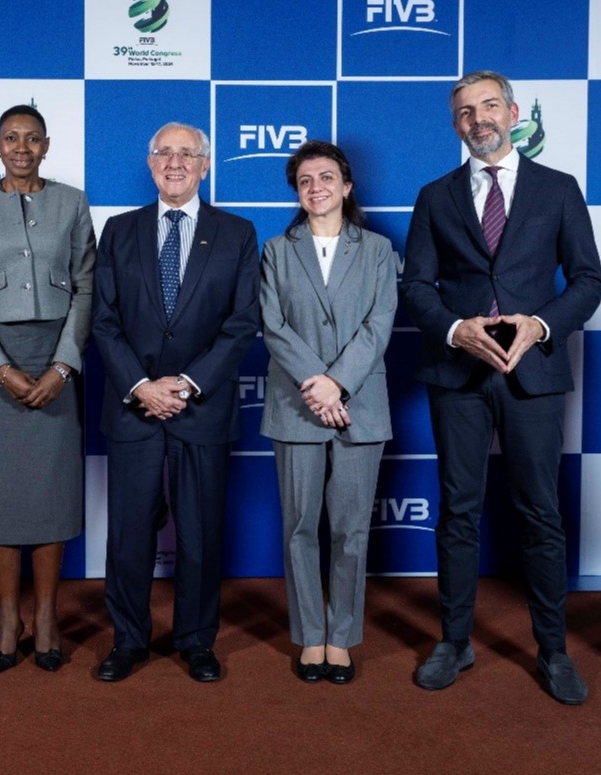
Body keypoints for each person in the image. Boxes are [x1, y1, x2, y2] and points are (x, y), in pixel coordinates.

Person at [401, 70, 601, 704]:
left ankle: (553, 650)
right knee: (458, 510)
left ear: (514, 113)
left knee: (541, 512)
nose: (479, 119)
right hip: (457, 374)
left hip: (532, 373)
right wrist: (454, 329)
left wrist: (541, 326)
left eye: (490, 105)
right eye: (466, 111)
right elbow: (416, 287)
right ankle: (454, 641)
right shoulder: (434, 196)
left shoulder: (558, 188)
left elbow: (589, 281)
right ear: (454, 124)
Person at [91, 122, 260, 683]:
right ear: (150, 162)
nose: (175, 162)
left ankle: (196, 640)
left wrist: (186, 384)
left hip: (201, 408)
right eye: (164, 152)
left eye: (188, 153)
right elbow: (103, 319)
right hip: (133, 406)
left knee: (201, 534)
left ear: (205, 165)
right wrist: (141, 385)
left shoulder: (237, 233)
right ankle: (128, 640)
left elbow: (242, 323)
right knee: (128, 535)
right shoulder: (118, 230)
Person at [0, 105, 96, 673]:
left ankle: (48, 616)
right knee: (3, 493)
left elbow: (86, 288)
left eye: (32, 139)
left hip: (58, 356)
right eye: (11, 138)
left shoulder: (72, 202)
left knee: (52, 490)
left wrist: (64, 365)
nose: (21, 147)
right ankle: (9, 618)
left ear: (47, 145)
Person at [259, 141, 396, 684]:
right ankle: (309, 637)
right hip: (297, 407)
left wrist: (336, 384)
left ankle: (341, 639)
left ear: (347, 186)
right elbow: (273, 325)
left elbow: (379, 323)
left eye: (326, 177)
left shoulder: (378, 249)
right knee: (299, 529)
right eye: (305, 180)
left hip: (360, 406)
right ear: (297, 192)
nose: (316, 187)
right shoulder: (276, 250)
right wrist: (317, 387)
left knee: (350, 531)